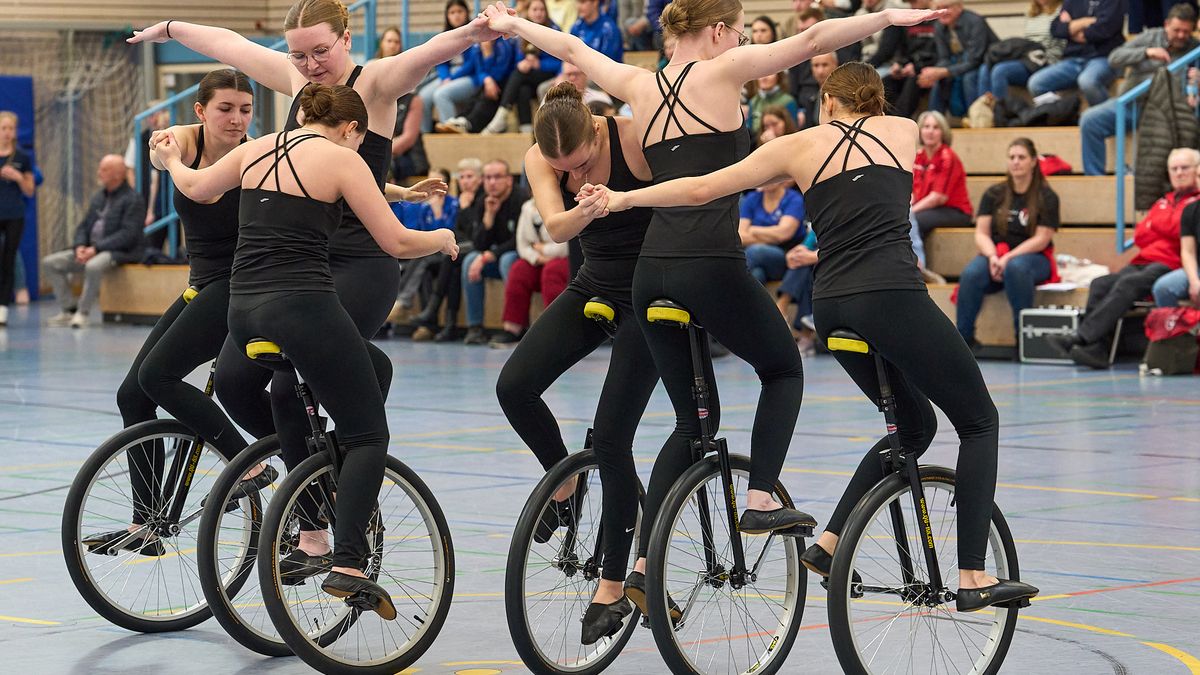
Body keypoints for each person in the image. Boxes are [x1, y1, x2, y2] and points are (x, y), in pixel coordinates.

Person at [483, 0, 940, 623]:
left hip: (650, 277)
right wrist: (886, 17)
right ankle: (757, 499)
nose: (744, 39)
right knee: (782, 370)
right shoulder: (726, 73)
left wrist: (510, 25)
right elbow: (815, 39)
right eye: (740, 29)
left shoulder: (637, 84)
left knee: (689, 423)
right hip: (711, 265)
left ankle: (639, 568)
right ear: (720, 30)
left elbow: (571, 50)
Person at [593, 61, 1039, 614]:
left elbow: (703, 188)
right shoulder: (903, 132)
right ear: (877, 103)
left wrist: (624, 199)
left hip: (829, 308)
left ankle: (829, 546)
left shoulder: (796, 146)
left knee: (915, 425)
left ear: (826, 102)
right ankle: (971, 574)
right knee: (978, 422)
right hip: (893, 298)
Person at [129, 0, 497, 571]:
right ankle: (316, 482)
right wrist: (171, 28)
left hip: (364, 261)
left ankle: (321, 528)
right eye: (298, 54)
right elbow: (230, 46)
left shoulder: (373, 81)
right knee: (233, 381)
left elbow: (434, 52)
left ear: (346, 38)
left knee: (286, 386)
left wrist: (477, 28)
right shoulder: (299, 84)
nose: (308, 64)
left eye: (320, 51)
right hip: (306, 266)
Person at [157, 84, 457, 612]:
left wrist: (171, 162)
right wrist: (442, 237)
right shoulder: (343, 160)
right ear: (351, 131)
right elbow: (397, 243)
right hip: (301, 308)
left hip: (242, 313)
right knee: (368, 432)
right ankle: (347, 562)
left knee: (372, 368)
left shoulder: (258, 147)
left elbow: (199, 188)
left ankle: (316, 478)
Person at [493, 82, 659, 644]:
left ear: (595, 127)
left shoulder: (634, 137)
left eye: (584, 161)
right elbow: (557, 228)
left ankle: (611, 585)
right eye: (564, 168)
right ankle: (563, 492)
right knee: (514, 386)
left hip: (650, 293)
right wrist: (586, 205)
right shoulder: (541, 154)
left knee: (613, 437)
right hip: (595, 280)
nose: (576, 171)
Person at [85, 71, 273, 556]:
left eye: (245, 110)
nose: (236, 119)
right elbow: (157, 151)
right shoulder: (184, 143)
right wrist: (159, 148)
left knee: (158, 376)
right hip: (201, 284)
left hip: (240, 284)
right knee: (133, 394)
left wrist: (396, 193)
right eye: (225, 108)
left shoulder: (255, 154)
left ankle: (246, 464)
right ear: (201, 110)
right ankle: (147, 524)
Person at [1049, 148, 1200, 369]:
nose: (1178, 173)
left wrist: (1157, 226)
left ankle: (1081, 337)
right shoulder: (1163, 202)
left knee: (1128, 284)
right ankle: (1098, 348)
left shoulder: (1194, 205)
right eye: (1174, 169)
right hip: (1143, 260)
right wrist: (1161, 227)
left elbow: (1172, 233)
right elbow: (1141, 235)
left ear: (1196, 170)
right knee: (1100, 284)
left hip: (1170, 264)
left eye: (1184, 168)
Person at [956, 138, 1060, 349]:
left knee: (1016, 268)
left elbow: (1042, 239)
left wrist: (1008, 258)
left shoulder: (1047, 196)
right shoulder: (994, 193)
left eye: (1021, 157)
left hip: (1034, 258)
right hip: (996, 255)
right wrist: (994, 257)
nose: (1015, 162)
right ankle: (964, 341)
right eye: (1011, 157)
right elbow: (981, 233)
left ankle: (1023, 341)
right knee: (971, 274)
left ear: (1033, 162)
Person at [1079, 4, 1197, 176]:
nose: (1181, 35)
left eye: (1186, 32)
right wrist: (1146, 52)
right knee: (1089, 120)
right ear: (1166, 24)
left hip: (1164, 112)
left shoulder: (1195, 49)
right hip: (1131, 104)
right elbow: (1115, 58)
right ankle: (1095, 178)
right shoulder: (1150, 37)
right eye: (1176, 30)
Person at [42, 155, 144, 328]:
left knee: (93, 266)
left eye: (104, 169)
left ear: (118, 175)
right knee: (50, 263)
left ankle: (83, 313)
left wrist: (96, 249)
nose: (99, 172)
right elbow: (83, 226)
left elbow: (128, 235)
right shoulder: (98, 197)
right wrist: (80, 246)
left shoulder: (133, 199)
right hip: (91, 249)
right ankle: (69, 309)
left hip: (119, 252)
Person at [413, 157, 483, 341]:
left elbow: (470, 234)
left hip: (469, 248)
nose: (465, 181)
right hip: (451, 250)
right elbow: (424, 233)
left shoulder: (464, 202)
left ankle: (430, 312)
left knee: (448, 258)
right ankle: (437, 324)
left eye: (470, 176)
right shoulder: (429, 206)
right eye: (462, 177)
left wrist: (461, 209)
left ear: (479, 179)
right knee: (441, 266)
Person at [460, 159, 527, 345]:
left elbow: (518, 241)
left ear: (509, 180)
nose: (492, 182)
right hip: (491, 257)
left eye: (497, 177)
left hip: (517, 255)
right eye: (488, 177)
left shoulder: (520, 199)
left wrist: (490, 255)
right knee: (469, 261)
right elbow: (478, 243)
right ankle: (475, 327)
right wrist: (489, 217)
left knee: (507, 260)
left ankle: (516, 325)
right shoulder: (483, 201)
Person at [489, 198, 570, 346]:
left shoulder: (565, 204)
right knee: (519, 270)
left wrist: (543, 249)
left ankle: (556, 331)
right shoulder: (526, 207)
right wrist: (538, 258)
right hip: (538, 259)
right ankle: (513, 329)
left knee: (552, 272)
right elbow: (522, 245)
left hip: (564, 258)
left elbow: (566, 245)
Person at [482, 0, 564, 134]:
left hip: (549, 74)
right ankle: (526, 132)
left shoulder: (554, 29)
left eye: (541, 10)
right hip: (529, 77)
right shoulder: (524, 30)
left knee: (518, 74)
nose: (538, 13)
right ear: (529, 12)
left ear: (546, 12)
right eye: (535, 10)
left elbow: (562, 61)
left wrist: (540, 64)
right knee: (522, 90)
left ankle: (502, 113)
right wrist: (523, 62)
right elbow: (517, 59)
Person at [1027, 0, 1127, 106]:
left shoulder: (1113, 2)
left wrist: (1072, 28)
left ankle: (1101, 119)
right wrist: (1085, 22)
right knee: (1036, 83)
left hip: (1104, 58)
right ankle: (1062, 115)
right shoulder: (1072, 1)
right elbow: (1056, 29)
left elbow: (1105, 29)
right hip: (1073, 59)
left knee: (1088, 82)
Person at [977, 0, 1065, 103]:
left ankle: (1000, 113)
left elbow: (1064, 42)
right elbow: (1028, 39)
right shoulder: (1032, 13)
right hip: (1027, 57)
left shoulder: (1062, 11)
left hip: (1046, 61)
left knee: (1000, 70)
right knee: (985, 68)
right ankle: (983, 112)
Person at [919, 0, 997, 115]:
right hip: (960, 63)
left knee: (968, 78)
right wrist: (932, 73)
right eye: (938, 8)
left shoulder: (976, 22)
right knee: (937, 78)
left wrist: (944, 71)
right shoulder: (939, 25)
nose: (942, 12)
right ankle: (934, 118)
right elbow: (944, 58)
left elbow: (975, 60)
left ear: (959, 7)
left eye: (946, 7)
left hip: (984, 63)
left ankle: (975, 118)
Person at [415, 0, 476, 133]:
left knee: (441, 94)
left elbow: (473, 63)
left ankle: (449, 132)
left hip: (469, 76)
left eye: (460, 11)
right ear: (447, 16)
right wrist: (446, 77)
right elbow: (441, 62)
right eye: (452, 12)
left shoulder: (476, 32)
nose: (456, 15)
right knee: (422, 97)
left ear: (467, 13)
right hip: (448, 75)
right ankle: (423, 135)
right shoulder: (444, 35)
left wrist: (452, 77)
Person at [911, 110, 972, 239]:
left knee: (911, 221)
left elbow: (938, 197)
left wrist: (911, 212)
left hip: (954, 211)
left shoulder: (948, 156)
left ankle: (918, 259)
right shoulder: (919, 157)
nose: (930, 131)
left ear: (943, 132)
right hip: (928, 208)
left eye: (936, 127)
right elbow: (913, 193)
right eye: (926, 127)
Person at [0, 111, 35, 327]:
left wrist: (18, 177)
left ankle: (3, 307)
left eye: (10, 129)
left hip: (14, 214)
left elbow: (30, 190)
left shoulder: (21, 157)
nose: (7, 133)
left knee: (9, 259)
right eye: (3, 128)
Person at [740, 178, 806, 284]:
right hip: (757, 257)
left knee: (756, 251)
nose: (766, 180)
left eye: (771, 177)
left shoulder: (794, 199)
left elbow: (784, 234)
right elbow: (741, 236)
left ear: (780, 178)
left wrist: (754, 230)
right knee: (757, 274)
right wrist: (773, 236)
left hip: (787, 254)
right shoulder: (752, 198)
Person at [1152, 198, 1200, 307]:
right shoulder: (1191, 210)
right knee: (1163, 288)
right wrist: (1194, 281)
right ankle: (1173, 322)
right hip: (1198, 269)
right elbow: (1188, 252)